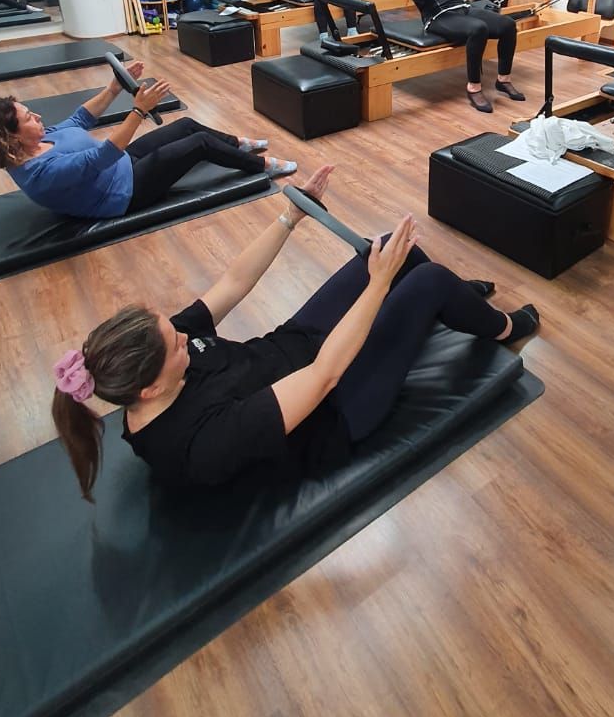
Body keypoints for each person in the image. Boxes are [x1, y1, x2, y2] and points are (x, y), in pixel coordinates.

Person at [50, 165, 541, 497]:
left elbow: (233, 283)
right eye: (176, 342)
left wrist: (291, 214)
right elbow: (327, 375)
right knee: (423, 277)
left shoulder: (157, 359)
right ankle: (502, 329)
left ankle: (450, 300)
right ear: (151, 387)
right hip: (337, 407)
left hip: (292, 346)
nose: (183, 336)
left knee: (390, 247)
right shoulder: (199, 442)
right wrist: (381, 285)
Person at [0, 61, 297, 219]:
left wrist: (113, 88)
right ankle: (263, 166)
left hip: (121, 164)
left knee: (184, 125)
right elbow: (100, 159)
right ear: (10, 139)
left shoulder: (37, 140)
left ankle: (237, 143)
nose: (37, 117)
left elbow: (79, 119)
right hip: (122, 193)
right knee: (197, 144)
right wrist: (138, 111)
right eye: (28, 119)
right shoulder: (40, 175)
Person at [403, 0, 523, 113]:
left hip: (461, 8)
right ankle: (474, 87)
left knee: (508, 25)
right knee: (478, 29)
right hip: (438, 17)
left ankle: (503, 80)